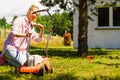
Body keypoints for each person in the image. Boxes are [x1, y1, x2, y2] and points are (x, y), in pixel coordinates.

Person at [0, 4, 53, 74]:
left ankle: (6, 59)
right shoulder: (19, 20)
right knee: (25, 64)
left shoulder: (31, 26)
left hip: (22, 51)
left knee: (31, 61)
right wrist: (26, 35)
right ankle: (5, 57)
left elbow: (38, 39)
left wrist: (42, 30)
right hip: (11, 48)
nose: (34, 16)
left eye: (37, 15)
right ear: (28, 11)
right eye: (33, 13)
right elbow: (13, 33)